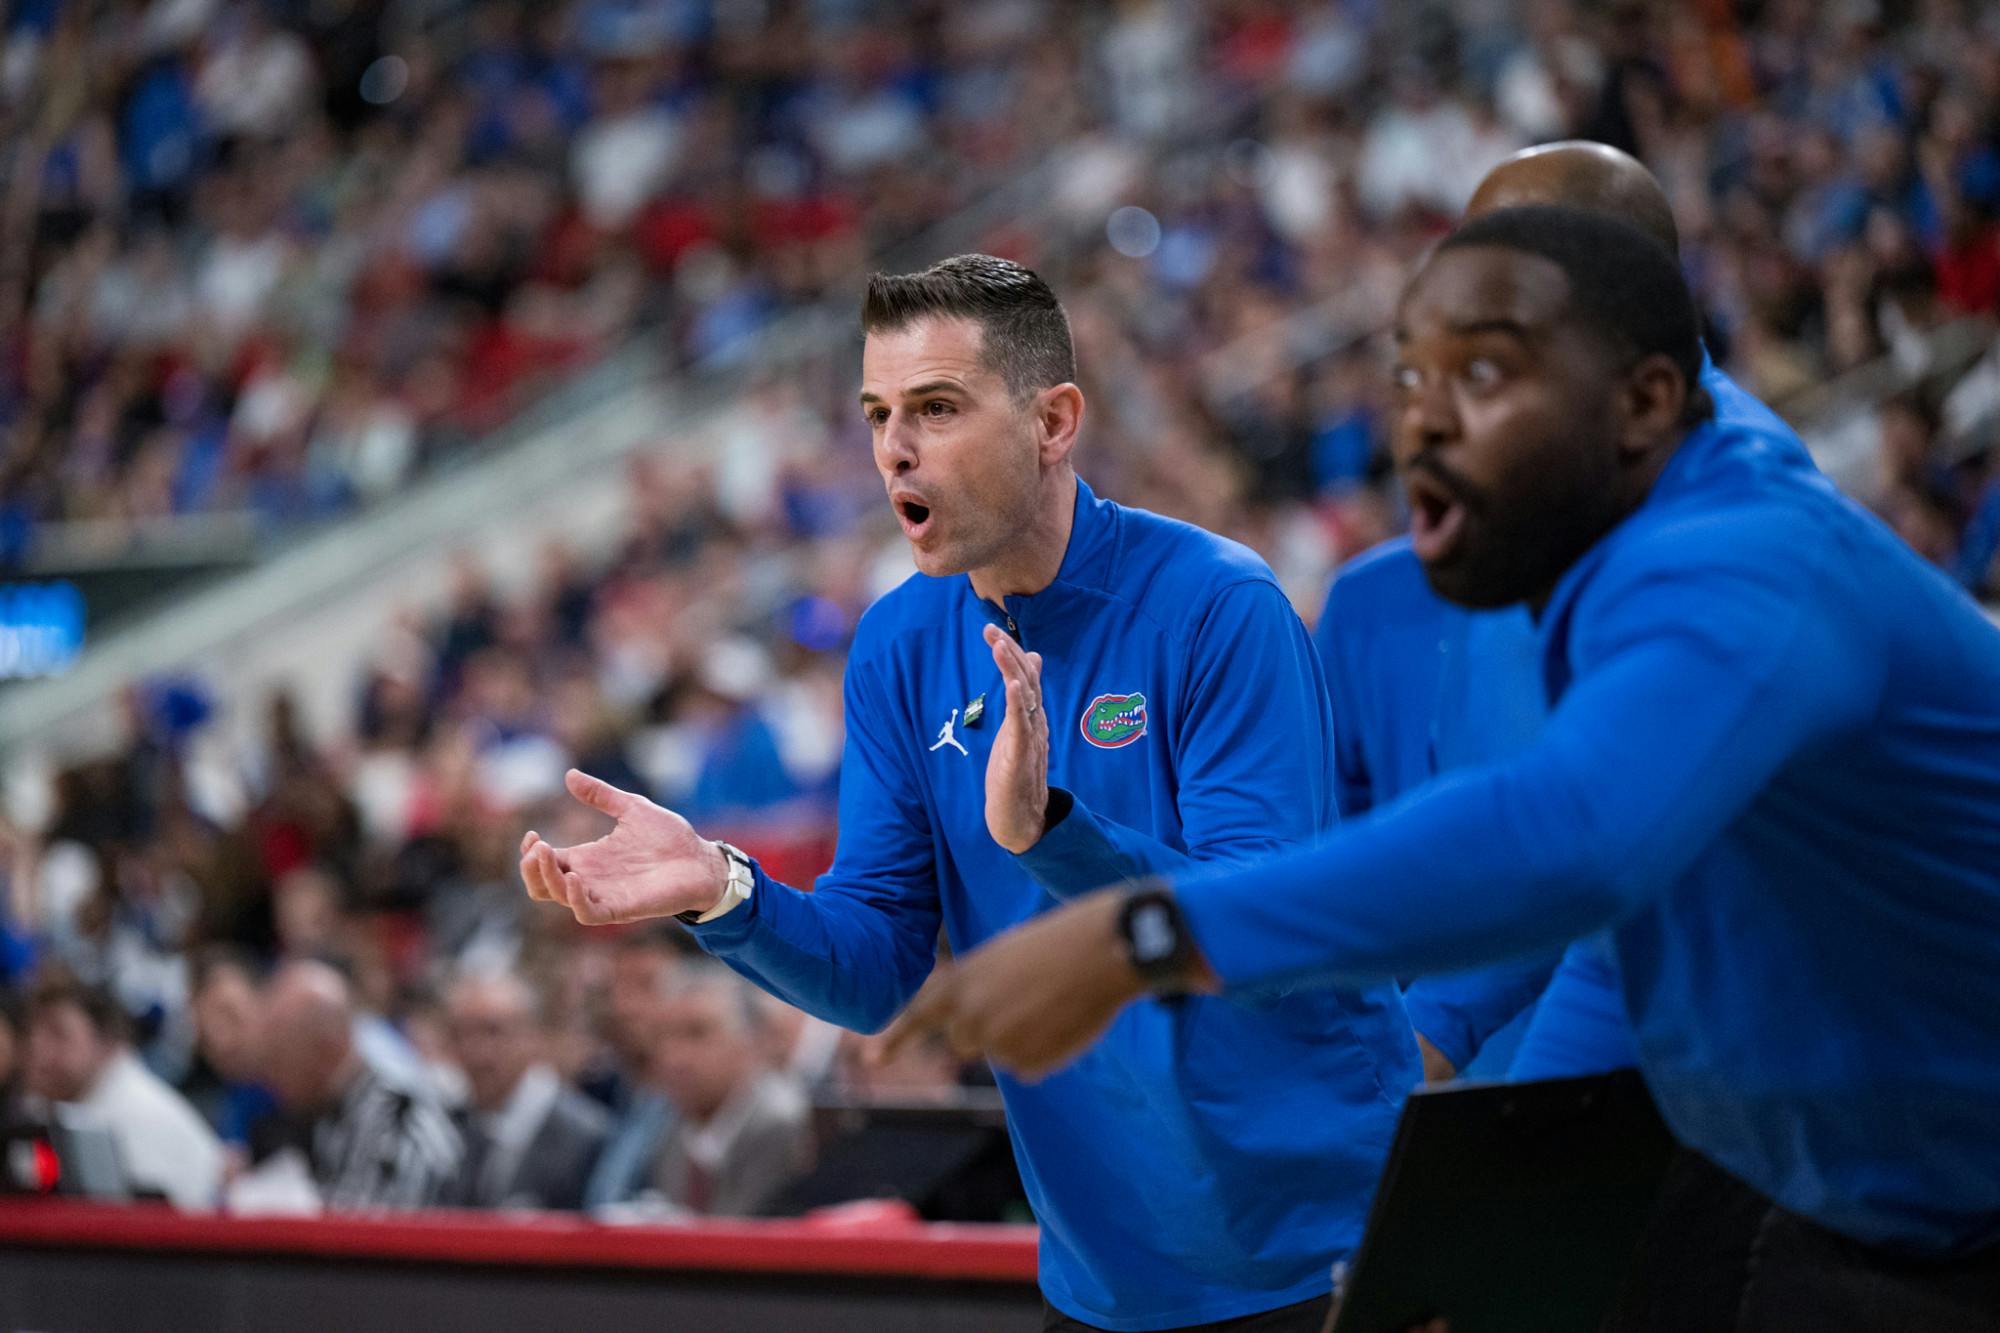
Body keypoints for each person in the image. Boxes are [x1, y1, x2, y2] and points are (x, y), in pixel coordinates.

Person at [889, 207, 2000, 1331]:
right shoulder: (1586, 561)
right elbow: (1643, 918)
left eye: (1482, 374)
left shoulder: (1740, 562)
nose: (1425, 421)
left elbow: (1566, 839)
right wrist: (1485, 1196)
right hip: (1847, 1194)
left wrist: (1142, 934)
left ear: (1643, 401)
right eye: (1413, 376)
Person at [522, 254, 1418, 1331]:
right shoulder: (898, 645)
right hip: (1105, 1278)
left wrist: (1053, 831)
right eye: (876, 413)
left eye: (936, 408)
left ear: (1053, 421)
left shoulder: (1217, 606)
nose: (894, 447)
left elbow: (1261, 932)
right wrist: (725, 891)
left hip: (1322, 1253)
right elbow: (875, 970)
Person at [1326, 140, 1815, 1083]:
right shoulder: (1550, 472)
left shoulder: (1727, 502)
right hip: (1553, 1060)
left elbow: (1602, 821)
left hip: (1711, 1067)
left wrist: (1436, 1039)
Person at [250, 959, 461, 1211]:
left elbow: (377, 1238)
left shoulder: (397, 1119)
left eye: (278, 1057)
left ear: (326, 1047)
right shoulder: (328, 1113)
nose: (270, 1079)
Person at [22, 970, 223, 1208]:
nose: (39, 1051)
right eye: (32, 1035)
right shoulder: (51, 1106)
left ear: (106, 1043)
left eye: (59, 1035)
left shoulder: (141, 1112)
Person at [642, 961, 811, 1218]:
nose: (673, 1057)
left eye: (697, 1033)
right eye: (663, 1036)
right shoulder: (670, 1136)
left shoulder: (787, 1129)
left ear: (753, 1041)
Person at [442, 969, 608, 1211]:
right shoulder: (451, 1124)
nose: (476, 1051)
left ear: (533, 1036)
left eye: (493, 1032)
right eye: (461, 1034)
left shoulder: (585, 1136)